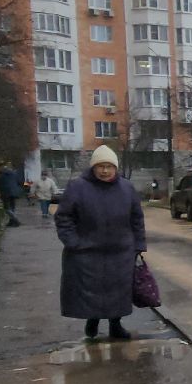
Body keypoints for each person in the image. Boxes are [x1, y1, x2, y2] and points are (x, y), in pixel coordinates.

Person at [55, 145, 146, 340]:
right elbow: (63, 217)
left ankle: (116, 325)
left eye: (109, 166)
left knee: (118, 293)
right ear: (93, 167)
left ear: (115, 167)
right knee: (91, 291)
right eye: (100, 166)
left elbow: (137, 218)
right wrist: (73, 242)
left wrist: (138, 245)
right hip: (86, 251)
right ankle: (93, 320)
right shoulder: (77, 187)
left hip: (120, 252)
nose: (105, 171)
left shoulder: (127, 188)